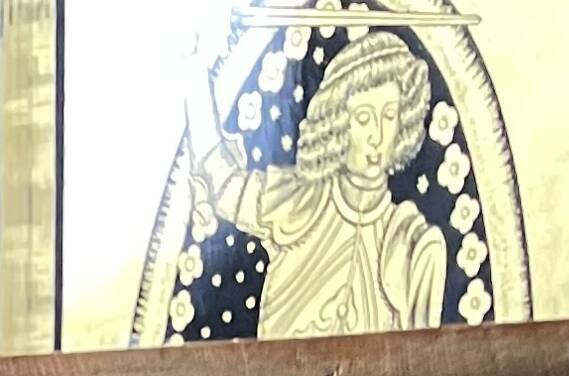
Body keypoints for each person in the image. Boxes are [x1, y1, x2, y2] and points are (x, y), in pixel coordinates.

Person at [186, 25, 449, 338]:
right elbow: (222, 181)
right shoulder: (299, 201)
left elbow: (422, 369)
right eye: (363, 118)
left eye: (389, 115)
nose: (378, 136)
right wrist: (193, 70)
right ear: (338, 124)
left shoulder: (410, 241)